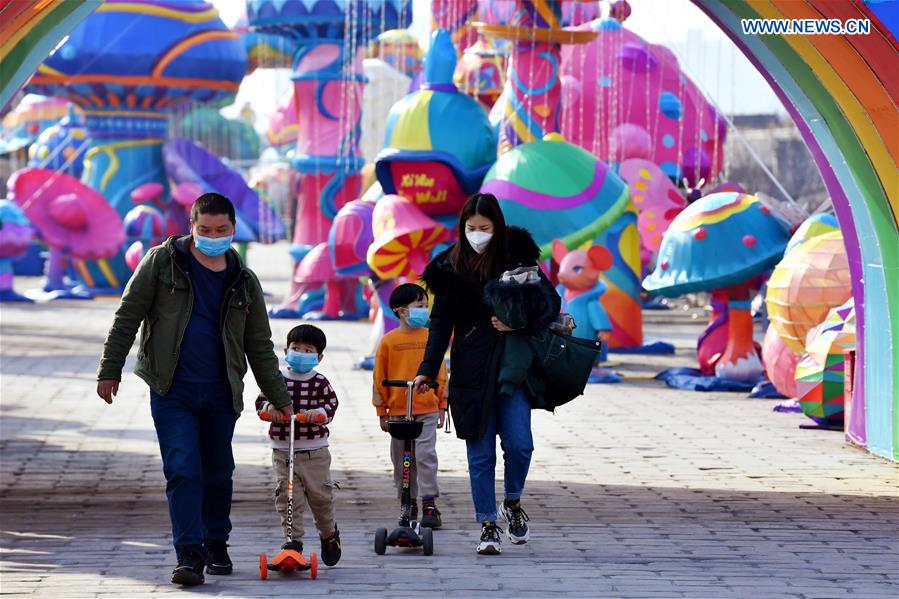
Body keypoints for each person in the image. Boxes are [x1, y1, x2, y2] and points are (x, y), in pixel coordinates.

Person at [96, 193, 293, 586]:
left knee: (219, 472)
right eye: (205, 230)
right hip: (172, 389)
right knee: (183, 468)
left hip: (221, 390)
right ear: (192, 226)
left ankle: (215, 540)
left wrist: (280, 396)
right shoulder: (162, 263)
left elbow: (259, 344)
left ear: (234, 229)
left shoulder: (244, 280)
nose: (213, 236)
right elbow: (127, 315)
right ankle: (189, 553)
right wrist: (110, 368)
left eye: (221, 230)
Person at [413, 193, 560, 555]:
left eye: (485, 228)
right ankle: (488, 524)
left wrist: (517, 320)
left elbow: (550, 304)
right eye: (471, 228)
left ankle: (512, 502)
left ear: (498, 227)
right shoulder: (450, 267)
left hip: (514, 370)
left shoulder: (519, 256)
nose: (477, 234)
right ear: (463, 228)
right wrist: (427, 370)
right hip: (471, 370)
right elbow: (440, 324)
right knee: (480, 455)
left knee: (519, 444)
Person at [255, 324, 342, 566]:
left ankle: (329, 535)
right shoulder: (277, 380)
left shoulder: (320, 382)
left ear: (319, 357)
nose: (301, 353)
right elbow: (261, 402)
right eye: (296, 348)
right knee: (288, 496)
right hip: (284, 449)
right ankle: (293, 542)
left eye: (308, 350)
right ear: (286, 351)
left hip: (315, 450)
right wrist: (269, 410)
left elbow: (331, 405)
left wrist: (319, 413)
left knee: (320, 497)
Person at [373, 283, 448, 529]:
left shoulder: (431, 338)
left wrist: (442, 404)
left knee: (426, 456)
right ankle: (408, 501)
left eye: (426, 306)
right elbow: (378, 378)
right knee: (402, 461)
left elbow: (441, 374)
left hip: (426, 408)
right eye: (419, 306)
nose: (424, 311)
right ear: (402, 311)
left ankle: (429, 503)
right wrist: (381, 411)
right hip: (398, 412)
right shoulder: (388, 342)